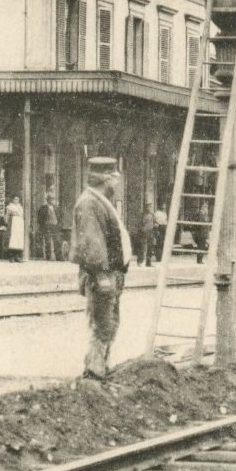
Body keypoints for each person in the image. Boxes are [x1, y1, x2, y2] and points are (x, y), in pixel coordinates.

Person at [71, 158, 131, 382]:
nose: (117, 181)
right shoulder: (88, 203)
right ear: (105, 178)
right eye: (114, 176)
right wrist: (101, 275)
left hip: (110, 274)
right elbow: (91, 244)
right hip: (101, 276)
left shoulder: (99, 200)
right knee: (103, 324)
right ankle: (94, 371)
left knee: (109, 322)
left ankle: (100, 367)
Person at [37, 194, 60, 261]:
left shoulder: (56, 208)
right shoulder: (43, 208)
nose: (51, 200)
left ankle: (58, 257)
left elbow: (59, 216)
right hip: (47, 226)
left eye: (53, 199)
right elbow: (40, 218)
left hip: (55, 226)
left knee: (57, 241)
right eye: (50, 199)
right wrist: (42, 226)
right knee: (48, 242)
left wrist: (58, 224)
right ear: (47, 200)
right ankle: (48, 257)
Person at [4, 195, 26, 262]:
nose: (16, 200)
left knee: (19, 239)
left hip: (19, 223)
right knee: (13, 239)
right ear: (12, 200)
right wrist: (6, 222)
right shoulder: (10, 207)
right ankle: (11, 256)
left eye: (17, 199)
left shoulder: (20, 207)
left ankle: (17, 256)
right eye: (15, 199)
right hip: (13, 222)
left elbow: (22, 215)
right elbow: (7, 215)